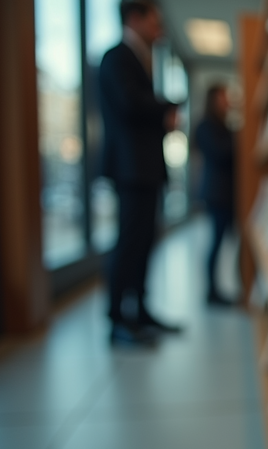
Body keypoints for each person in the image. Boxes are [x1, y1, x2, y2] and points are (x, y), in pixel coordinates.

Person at [100, 0, 181, 344]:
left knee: (146, 239)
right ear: (134, 18)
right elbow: (131, 105)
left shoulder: (139, 59)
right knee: (130, 241)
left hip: (145, 167)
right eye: (154, 21)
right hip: (131, 168)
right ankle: (118, 318)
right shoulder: (117, 57)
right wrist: (167, 107)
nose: (159, 28)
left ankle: (140, 311)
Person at [195, 84, 236, 305]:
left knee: (230, 241)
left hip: (228, 193)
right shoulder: (206, 127)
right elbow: (220, 153)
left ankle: (238, 285)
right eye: (223, 98)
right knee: (217, 242)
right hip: (217, 194)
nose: (227, 102)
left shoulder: (224, 126)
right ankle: (211, 291)